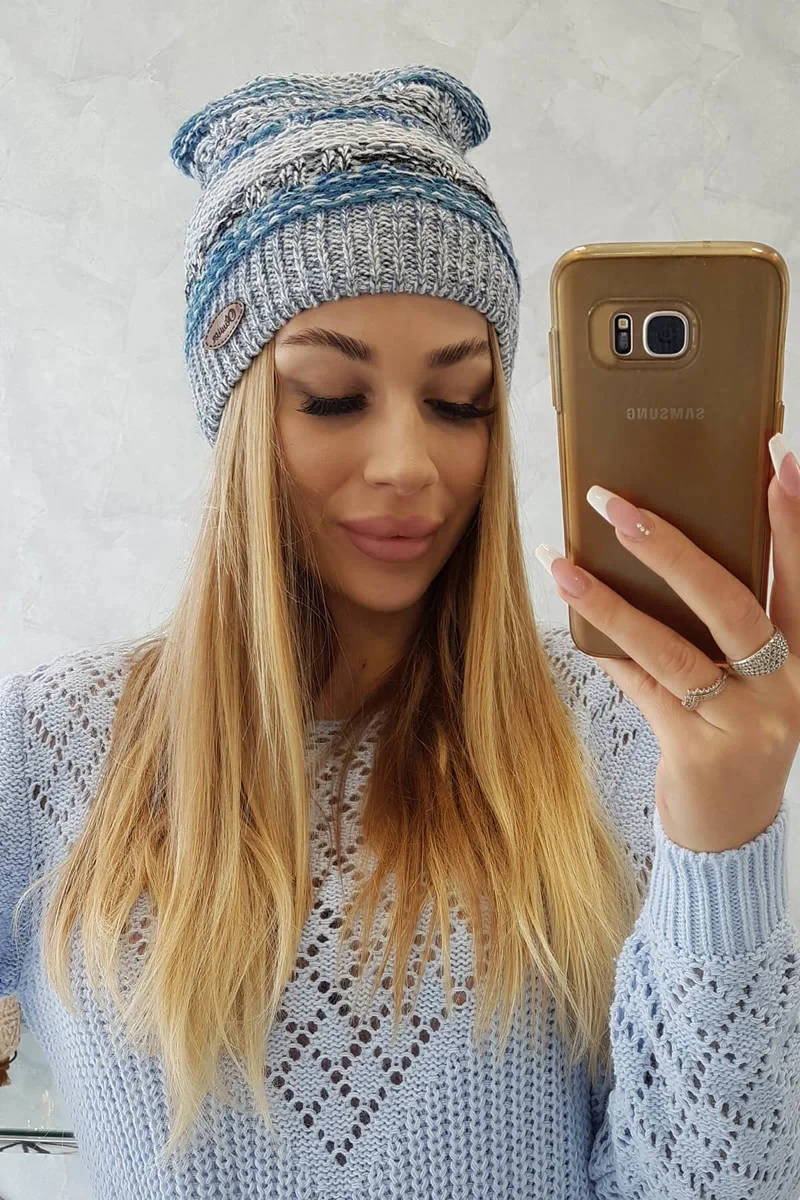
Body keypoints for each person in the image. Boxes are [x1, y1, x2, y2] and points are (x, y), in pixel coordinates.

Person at [1, 65, 798, 1199]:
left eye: (458, 403)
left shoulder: (622, 737)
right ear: (235, 417)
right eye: (331, 397)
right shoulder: (49, 744)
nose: (408, 465)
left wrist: (729, 830)